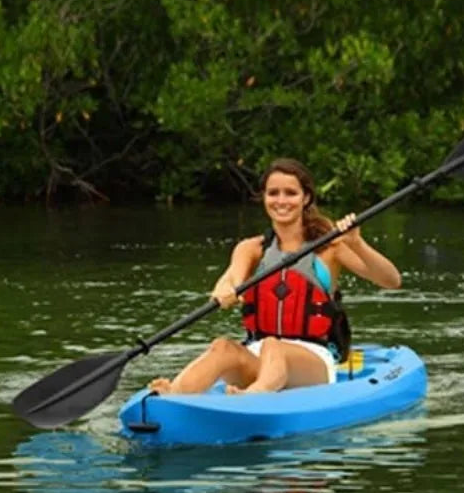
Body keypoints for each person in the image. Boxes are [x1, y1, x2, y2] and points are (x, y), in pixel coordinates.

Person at [148, 158, 401, 395]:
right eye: (273, 193)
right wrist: (225, 291)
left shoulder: (330, 248)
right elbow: (231, 280)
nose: (281, 201)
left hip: (313, 360)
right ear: (264, 197)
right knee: (222, 347)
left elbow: (391, 281)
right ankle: (175, 395)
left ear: (305, 198)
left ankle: (253, 397)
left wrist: (357, 243)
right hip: (257, 353)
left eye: (290, 193)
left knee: (274, 346)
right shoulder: (251, 249)